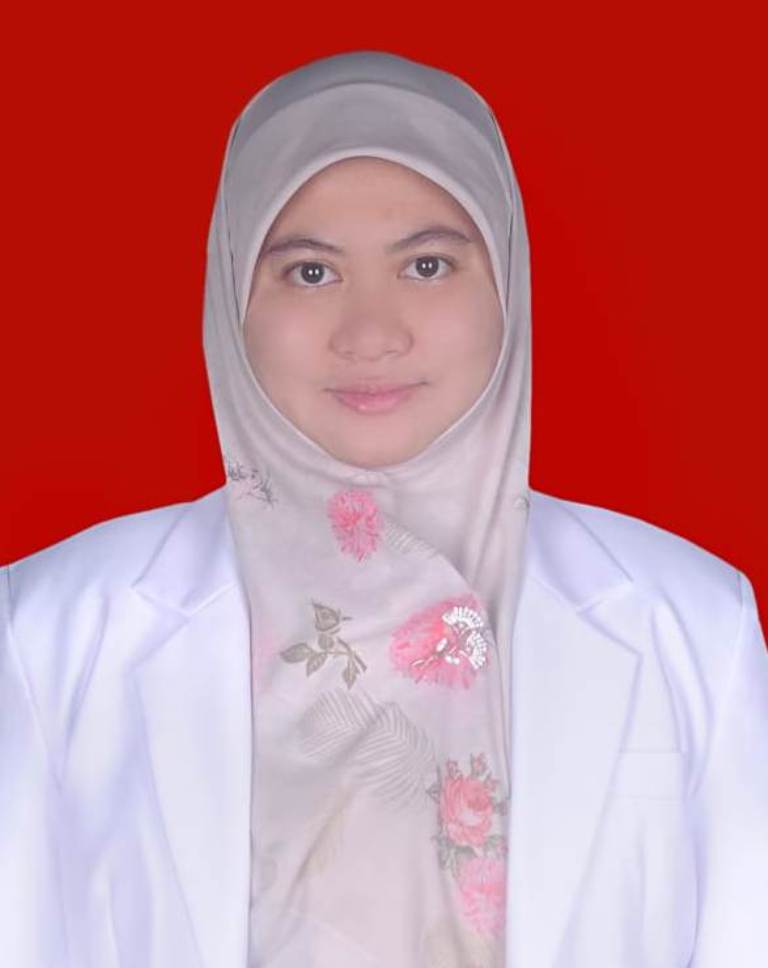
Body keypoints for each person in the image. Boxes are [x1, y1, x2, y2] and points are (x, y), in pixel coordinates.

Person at [1, 49, 766, 968]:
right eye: (309, 273)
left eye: (429, 265)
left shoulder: (693, 624)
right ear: (234, 295)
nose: (371, 334)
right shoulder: (47, 632)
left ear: (507, 286)